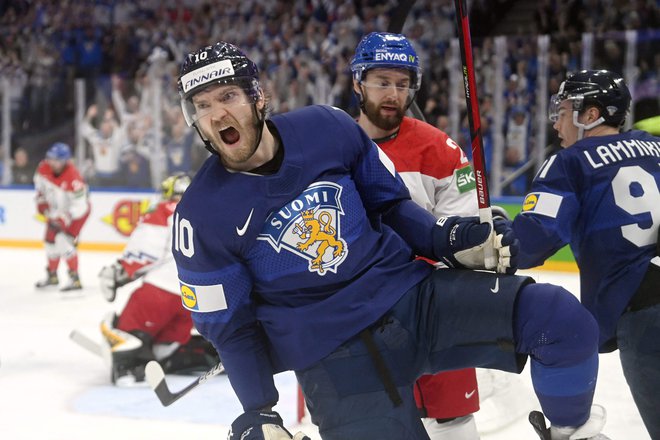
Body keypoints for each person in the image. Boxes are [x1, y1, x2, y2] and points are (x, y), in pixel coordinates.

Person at [172, 41, 609, 440]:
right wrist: (259, 411)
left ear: (257, 96)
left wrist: (448, 238)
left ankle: (575, 433)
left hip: (409, 299)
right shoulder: (199, 217)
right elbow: (230, 329)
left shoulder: (327, 127)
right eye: (202, 105)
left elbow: (391, 206)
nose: (217, 115)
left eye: (228, 96)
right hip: (330, 354)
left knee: (559, 319)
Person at [511, 69, 660, 439]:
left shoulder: (571, 161)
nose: (556, 122)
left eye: (562, 111)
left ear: (589, 115)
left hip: (643, 311)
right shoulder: (654, 146)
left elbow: (533, 241)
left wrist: (493, 235)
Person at [351, 32, 481, 440]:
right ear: (358, 82)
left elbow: (463, 238)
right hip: (359, 313)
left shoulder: (441, 150)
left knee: (453, 419)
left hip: (432, 306)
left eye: (403, 83)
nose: (393, 93)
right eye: (382, 82)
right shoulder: (331, 147)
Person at [98, 173, 219, 385]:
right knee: (165, 342)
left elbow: (143, 254)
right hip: (195, 298)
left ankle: (130, 368)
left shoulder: (163, 211)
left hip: (161, 290)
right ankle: (171, 355)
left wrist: (117, 274)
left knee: (126, 331)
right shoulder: (210, 215)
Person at [34, 142, 90, 291]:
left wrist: (65, 218)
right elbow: (40, 187)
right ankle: (52, 276)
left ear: (65, 160)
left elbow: (81, 206)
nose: (52, 162)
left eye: (57, 160)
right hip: (56, 210)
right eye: (51, 158)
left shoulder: (74, 179)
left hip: (76, 215)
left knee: (62, 241)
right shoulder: (43, 168)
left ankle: (75, 279)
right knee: (49, 241)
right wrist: (41, 200)